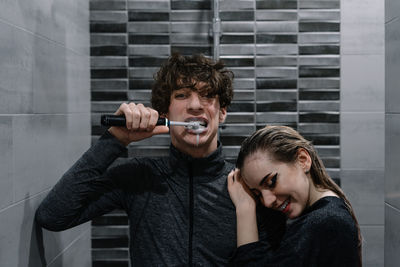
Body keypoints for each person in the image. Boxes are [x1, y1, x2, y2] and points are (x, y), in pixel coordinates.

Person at [35, 53, 239, 265]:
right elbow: (52, 216)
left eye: (207, 95)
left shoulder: (242, 185)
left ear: (222, 112)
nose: (195, 105)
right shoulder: (139, 176)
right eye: (182, 95)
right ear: (165, 114)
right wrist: (116, 139)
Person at [227, 125, 362, 267]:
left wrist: (245, 209)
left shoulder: (326, 223)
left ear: (303, 160)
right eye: (257, 194)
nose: (267, 201)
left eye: (271, 182)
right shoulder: (328, 215)